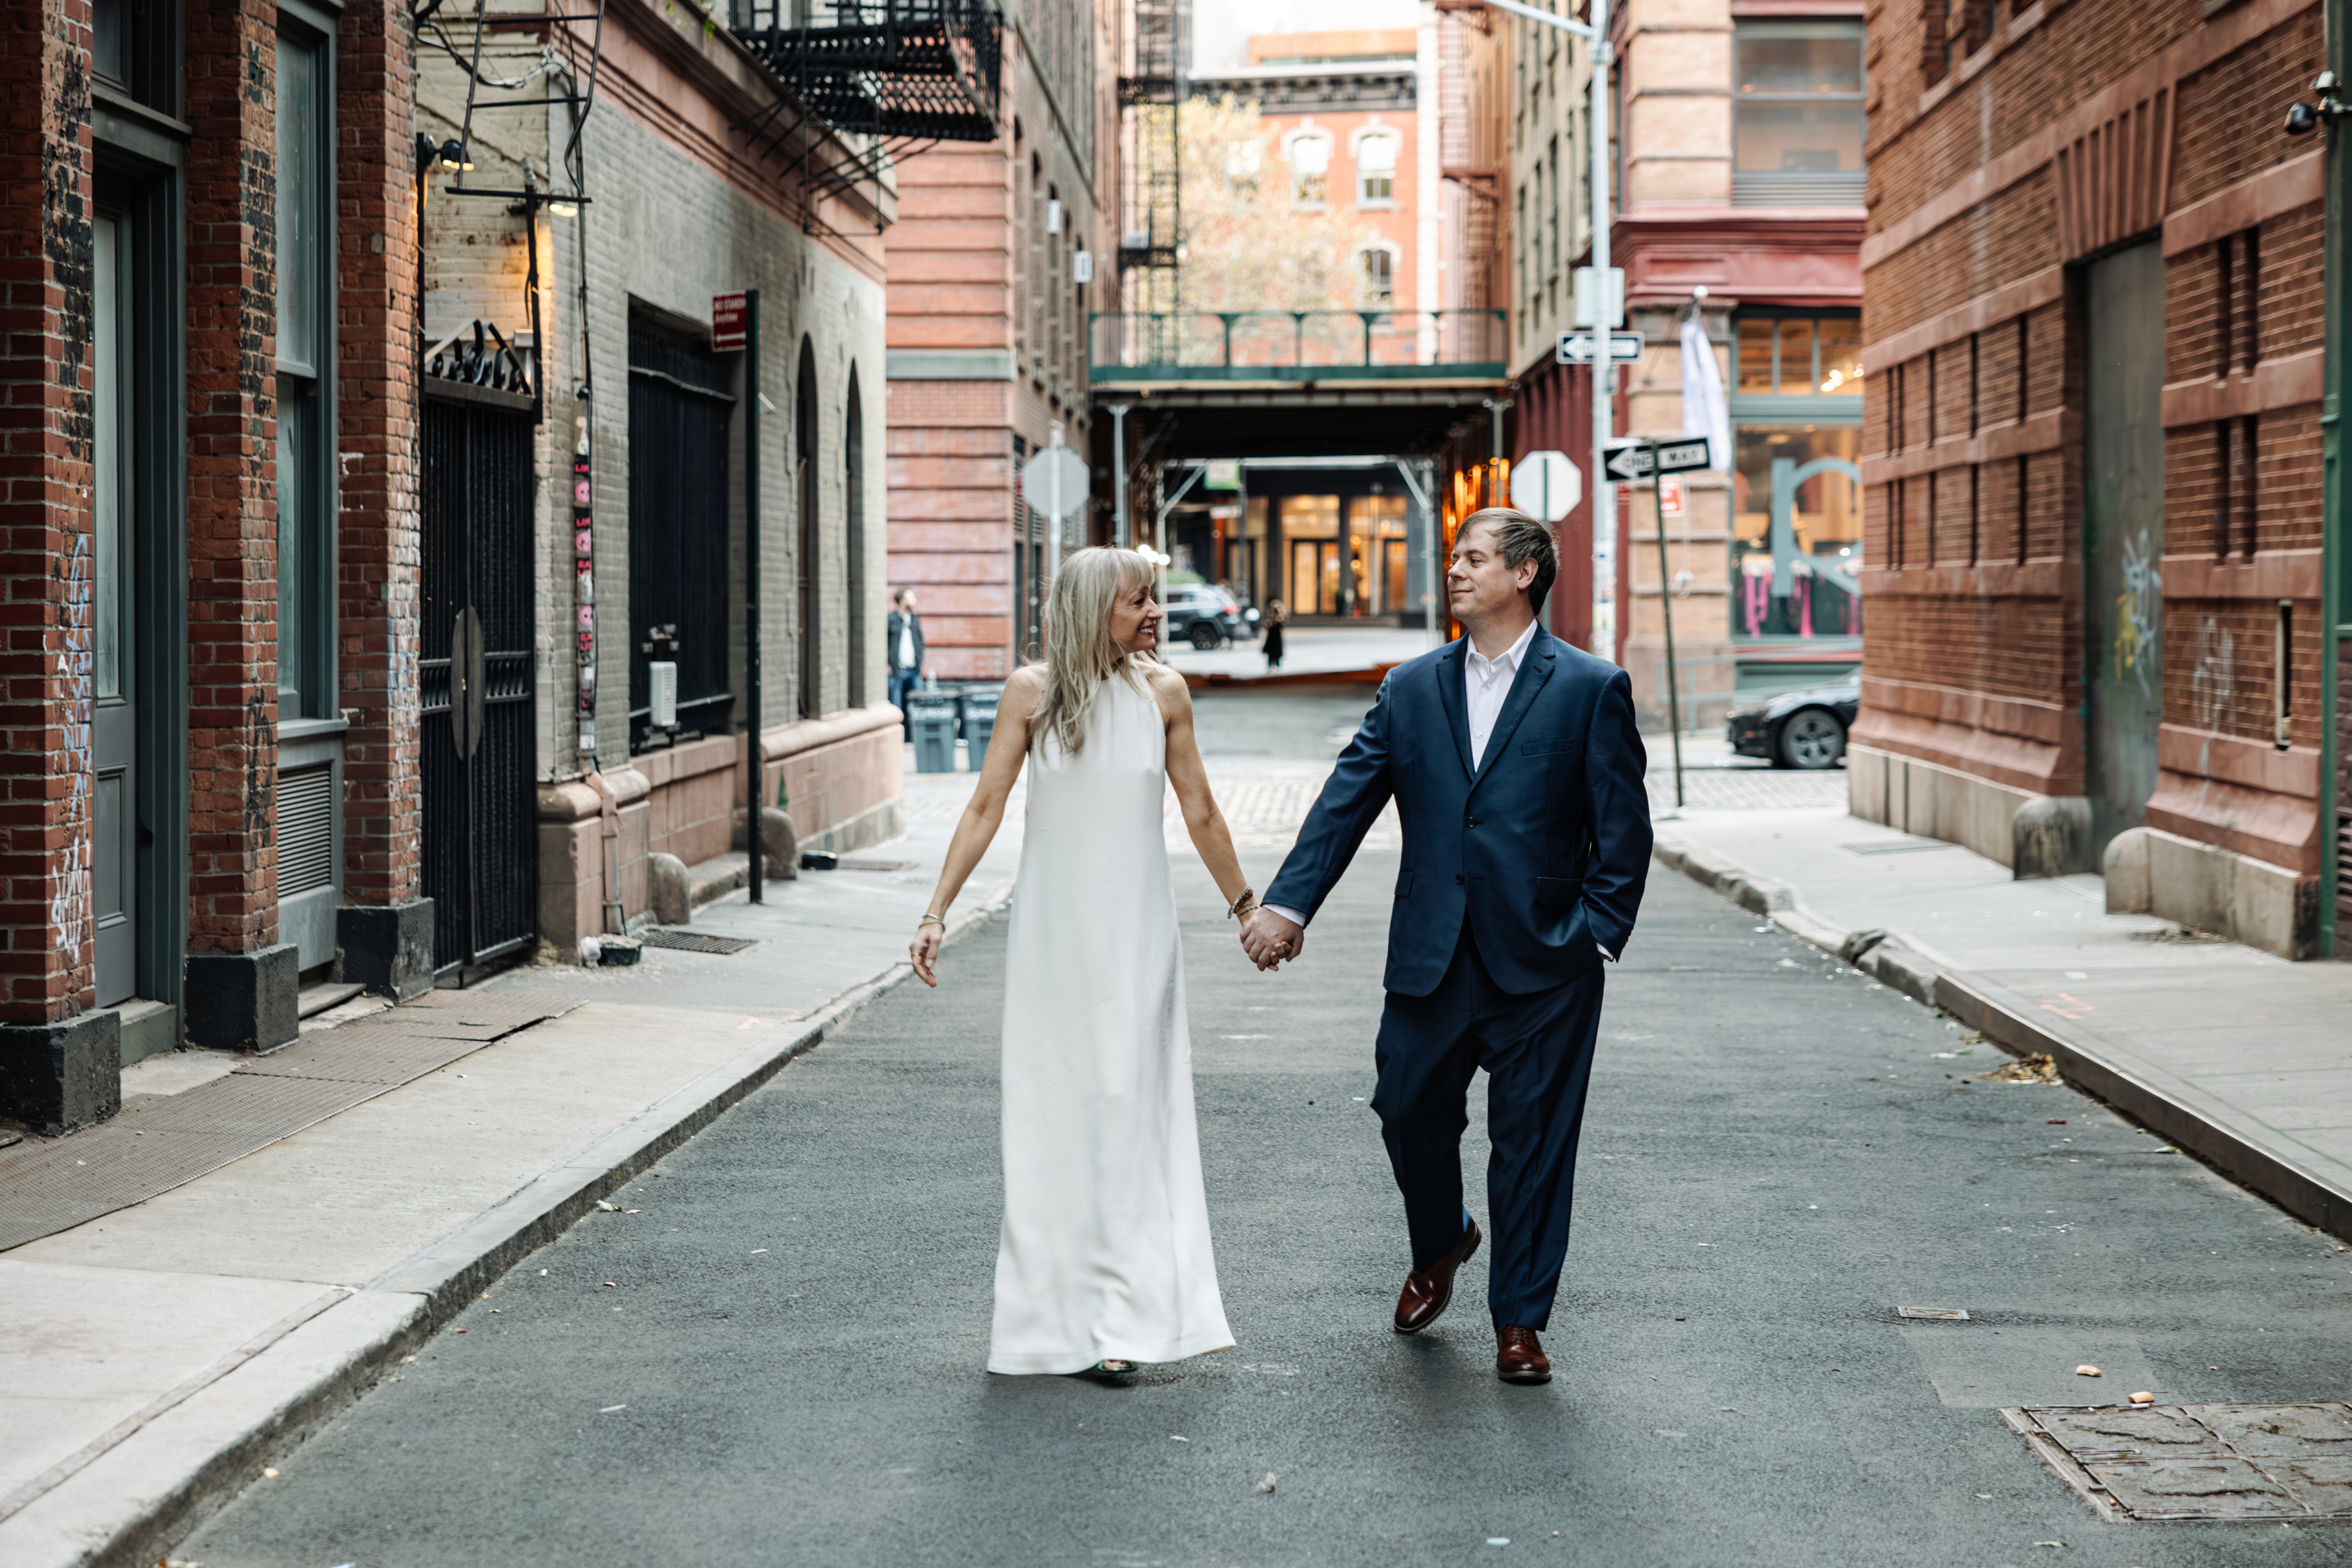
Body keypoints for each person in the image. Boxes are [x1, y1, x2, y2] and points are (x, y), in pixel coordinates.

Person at [1240, 508, 1652, 1386]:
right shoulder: (1412, 687)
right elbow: (1345, 803)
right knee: (1406, 1111)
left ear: (1525, 575)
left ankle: (1520, 1322)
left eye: (1474, 559)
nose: (1455, 571)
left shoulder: (1588, 687)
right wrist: (1288, 906)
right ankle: (1442, 1241)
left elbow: (1623, 834)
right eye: (1455, 557)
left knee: (1534, 1142)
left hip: (1546, 963)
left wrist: (1597, 940)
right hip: (1431, 953)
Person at [910, 547, 1246, 1379]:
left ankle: (1119, 1325)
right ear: (1099, 608)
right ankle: (1044, 1319)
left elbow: (1198, 807)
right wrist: (935, 910)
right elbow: (986, 803)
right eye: (1140, 603)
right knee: (1052, 1117)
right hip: (1053, 941)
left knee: (1126, 1111)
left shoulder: (1164, 694)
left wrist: (1246, 906)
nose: (1155, 616)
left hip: (1136, 936)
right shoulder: (1030, 694)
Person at [886, 588, 925, 729]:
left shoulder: (914, 620)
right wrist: (887, 665)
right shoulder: (891, 619)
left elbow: (920, 643)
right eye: (911, 598)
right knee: (896, 708)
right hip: (897, 672)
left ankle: (917, 736)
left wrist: (920, 664)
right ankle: (898, 738)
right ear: (902, 601)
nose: (914, 601)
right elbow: (884, 643)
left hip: (914, 671)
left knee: (919, 704)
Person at [1261, 599, 1287, 671]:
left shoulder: (1271, 619)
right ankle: (1276, 666)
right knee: (1275, 652)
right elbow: (1283, 629)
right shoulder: (1279, 619)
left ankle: (1272, 666)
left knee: (1272, 652)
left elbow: (1266, 629)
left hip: (1272, 638)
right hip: (1275, 638)